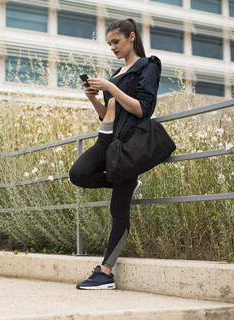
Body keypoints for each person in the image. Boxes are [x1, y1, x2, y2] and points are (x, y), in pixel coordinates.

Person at [69, 18, 161, 290]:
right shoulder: (117, 72)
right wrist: (93, 97)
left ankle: (106, 273)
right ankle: (128, 183)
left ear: (132, 37)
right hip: (105, 140)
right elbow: (106, 114)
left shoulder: (148, 65)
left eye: (116, 42)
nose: (112, 47)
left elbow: (143, 109)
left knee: (117, 210)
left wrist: (110, 88)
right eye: (109, 43)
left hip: (126, 144)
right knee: (78, 173)